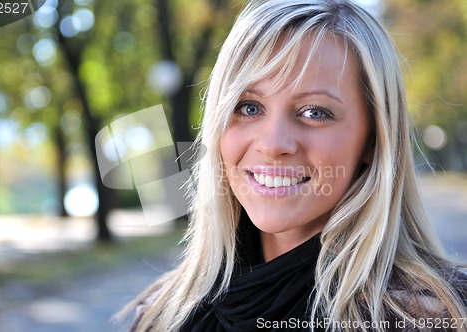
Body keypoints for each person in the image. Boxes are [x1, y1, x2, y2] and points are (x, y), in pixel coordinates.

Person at [125, 0, 467, 330]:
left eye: (315, 112)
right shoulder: (161, 313)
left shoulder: (437, 318)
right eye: (248, 107)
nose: (273, 145)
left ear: (373, 140)